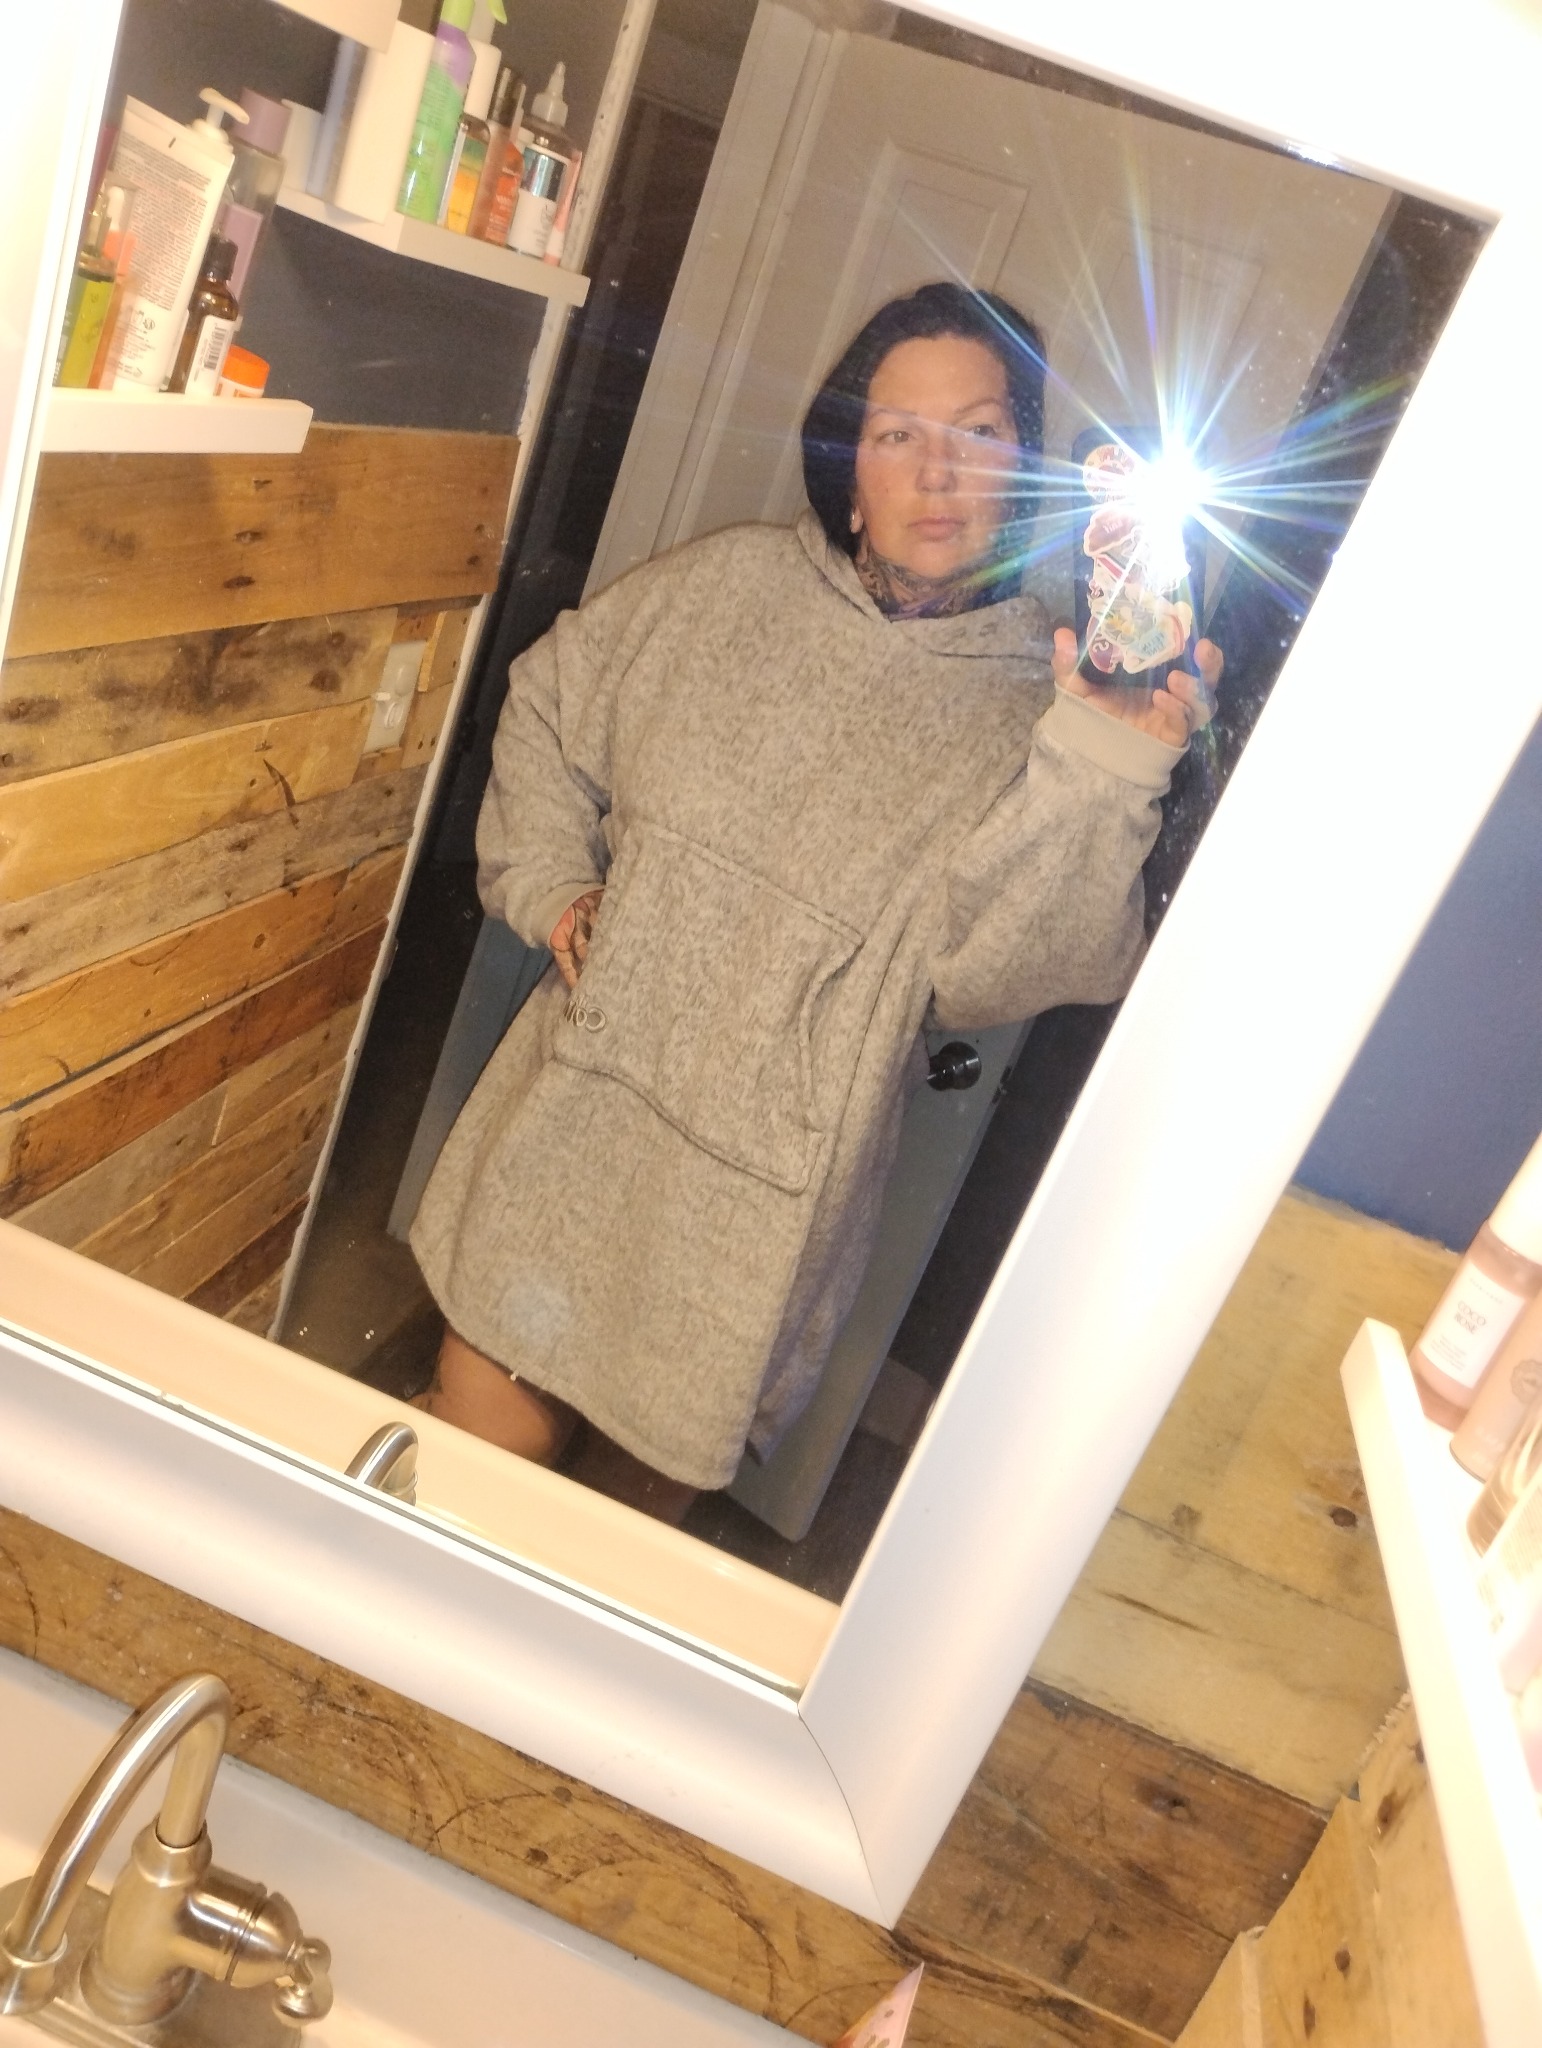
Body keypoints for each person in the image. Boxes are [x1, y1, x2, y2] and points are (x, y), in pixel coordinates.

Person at [411, 281, 1223, 1522]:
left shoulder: (1051, 711)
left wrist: (1111, 764)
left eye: (981, 433)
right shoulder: (720, 589)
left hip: (762, 1221)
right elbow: (549, 704)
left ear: (1027, 474)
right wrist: (554, 887)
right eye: (899, 434)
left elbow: (1005, 969)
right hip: (577, 1121)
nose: (940, 472)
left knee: (603, 1565)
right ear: (849, 472)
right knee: (448, 1493)